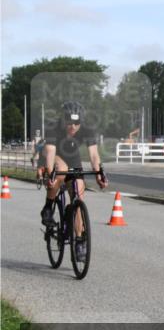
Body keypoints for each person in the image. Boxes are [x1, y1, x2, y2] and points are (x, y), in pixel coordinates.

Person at [40, 102, 109, 258]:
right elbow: (50, 153)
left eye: (76, 123)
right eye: (69, 122)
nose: (73, 126)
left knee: (78, 194)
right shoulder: (53, 127)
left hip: (74, 159)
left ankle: (79, 241)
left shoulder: (87, 129)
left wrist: (99, 174)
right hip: (56, 155)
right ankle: (48, 207)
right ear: (63, 119)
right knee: (61, 171)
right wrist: (50, 174)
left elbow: (94, 155)